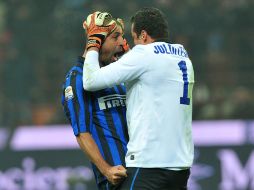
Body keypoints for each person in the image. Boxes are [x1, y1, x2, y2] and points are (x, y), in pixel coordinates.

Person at [82, 8, 195, 190]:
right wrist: (127, 58)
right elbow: (152, 76)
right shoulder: (183, 56)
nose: (132, 45)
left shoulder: (142, 55)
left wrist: (93, 41)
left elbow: (90, 81)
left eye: (134, 38)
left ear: (143, 35)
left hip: (149, 164)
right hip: (180, 166)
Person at [61, 13, 129, 190]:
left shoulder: (117, 73)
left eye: (121, 36)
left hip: (142, 171)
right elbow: (81, 132)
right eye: (115, 37)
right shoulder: (77, 78)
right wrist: (106, 170)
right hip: (117, 176)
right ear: (97, 40)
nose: (121, 43)